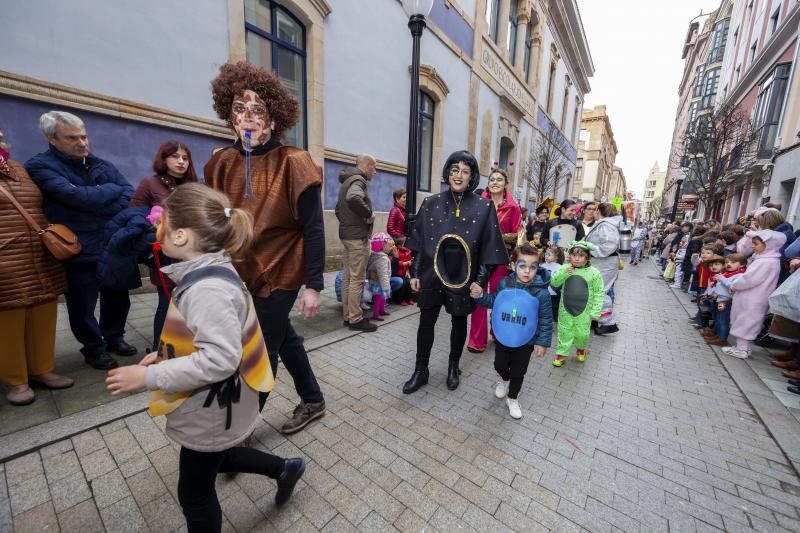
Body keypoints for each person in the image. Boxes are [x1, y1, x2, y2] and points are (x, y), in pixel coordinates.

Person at [106, 184, 304, 533]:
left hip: (213, 406)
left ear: (180, 235)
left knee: (194, 494)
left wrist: (148, 378)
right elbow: (207, 337)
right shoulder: (210, 272)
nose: (157, 229)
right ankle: (284, 468)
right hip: (222, 405)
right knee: (220, 455)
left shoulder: (206, 289)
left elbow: (219, 358)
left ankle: (284, 468)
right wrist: (164, 354)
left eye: (160, 222)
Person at [204, 62, 326, 434]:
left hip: (284, 270)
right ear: (229, 115)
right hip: (239, 271)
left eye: (259, 110)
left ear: (273, 119)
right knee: (282, 335)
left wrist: (314, 285)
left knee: (261, 349)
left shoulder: (295, 162)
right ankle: (313, 399)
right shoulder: (220, 162)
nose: (249, 117)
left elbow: (315, 227)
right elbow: (214, 220)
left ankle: (237, 430)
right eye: (240, 108)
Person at [25, 111, 135, 370]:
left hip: (112, 243)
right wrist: (105, 194)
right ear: (51, 139)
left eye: (84, 136)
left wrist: (94, 196)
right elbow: (73, 198)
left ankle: (114, 337)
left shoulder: (100, 164)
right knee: (82, 304)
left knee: (118, 296)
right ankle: (93, 348)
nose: (82, 143)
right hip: (78, 247)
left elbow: (128, 193)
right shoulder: (40, 166)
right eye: (72, 137)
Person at [402, 151, 508, 393]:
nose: (459, 175)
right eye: (454, 170)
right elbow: (418, 242)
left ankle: (453, 366)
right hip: (430, 273)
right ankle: (421, 370)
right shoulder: (431, 204)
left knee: (459, 321)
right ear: (448, 173)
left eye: (465, 171)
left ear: (471, 177)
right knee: (426, 321)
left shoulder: (484, 206)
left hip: (463, 277)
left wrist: (479, 281)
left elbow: (490, 249)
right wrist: (415, 273)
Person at [0, 129, 73, 405]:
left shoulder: (16, 166)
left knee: (43, 311)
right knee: (8, 319)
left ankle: (42, 369)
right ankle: (15, 380)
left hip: (39, 255)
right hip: (5, 260)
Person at [469, 244, 553, 419]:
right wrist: (480, 296)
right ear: (513, 265)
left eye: (532, 267)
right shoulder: (505, 283)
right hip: (503, 336)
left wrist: (542, 342)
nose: (527, 271)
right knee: (499, 365)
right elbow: (494, 301)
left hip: (526, 341)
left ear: (538, 268)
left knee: (519, 371)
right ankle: (504, 379)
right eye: (522, 265)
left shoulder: (541, 293)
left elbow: (545, 319)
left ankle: (513, 398)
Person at [130, 140, 199, 346]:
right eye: (175, 157)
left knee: (191, 301)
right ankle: (159, 349)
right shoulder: (149, 184)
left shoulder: (195, 186)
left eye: (185, 158)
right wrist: (155, 232)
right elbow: (134, 217)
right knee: (167, 301)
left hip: (193, 252)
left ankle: (185, 344)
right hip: (165, 254)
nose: (181, 162)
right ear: (164, 158)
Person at [467, 168, 521, 353]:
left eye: (499, 179)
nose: (495, 182)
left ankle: (498, 333)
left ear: (505, 184)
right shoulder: (479, 204)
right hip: (480, 258)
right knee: (478, 295)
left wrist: (497, 239)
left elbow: (516, 236)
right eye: (492, 179)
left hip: (500, 260)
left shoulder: (513, 208)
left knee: (500, 298)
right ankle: (476, 340)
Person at [722, 232, 786, 359]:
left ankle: (742, 349)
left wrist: (734, 285)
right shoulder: (769, 260)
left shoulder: (764, 262)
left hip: (751, 297)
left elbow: (748, 279)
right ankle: (745, 348)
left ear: (768, 244)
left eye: (756, 244)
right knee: (749, 320)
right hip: (756, 297)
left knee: (745, 320)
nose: (753, 246)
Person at [336, 154, 378, 332]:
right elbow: (354, 198)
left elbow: (338, 210)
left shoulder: (346, 181)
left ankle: (348, 316)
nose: (374, 172)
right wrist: (367, 215)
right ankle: (355, 319)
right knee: (357, 279)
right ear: (367, 166)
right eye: (374, 168)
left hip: (346, 235)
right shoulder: (359, 181)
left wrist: (348, 224)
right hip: (356, 238)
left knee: (348, 277)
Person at [549, 241, 604, 367]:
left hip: (585, 310)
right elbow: (554, 283)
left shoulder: (594, 273)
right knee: (564, 331)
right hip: (565, 309)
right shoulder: (565, 268)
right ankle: (561, 354)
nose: (577, 258)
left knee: (582, 333)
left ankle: (581, 348)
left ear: (587, 257)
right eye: (574, 255)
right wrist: (564, 273)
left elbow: (599, 292)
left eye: (581, 256)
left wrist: (596, 310)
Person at [584, 203, 622, 335]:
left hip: (604, 264)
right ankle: (604, 320)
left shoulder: (606, 225)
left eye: (595, 210)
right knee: (599, 291)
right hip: (604, 263)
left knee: (599, 291)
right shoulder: (607, 224)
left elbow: (608, 245)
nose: (593, 212)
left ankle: (608, 322)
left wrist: (590, 251)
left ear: (599, 211)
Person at [702, 254, 746, 347]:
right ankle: (717, 335)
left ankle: (722, 339)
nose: (728, 264)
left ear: (742, 265)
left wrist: (721, 278)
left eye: (733, 262)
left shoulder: (740, 275)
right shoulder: (726, 273)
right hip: (720, 299)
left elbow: (732, 286)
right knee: (718, 319)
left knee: (723, 321)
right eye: (727, 262)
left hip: (727, 301)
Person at [367, 232, 393, 321]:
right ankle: (376, 314)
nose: (392, 248)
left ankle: (381, 310)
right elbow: (383, 274)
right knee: (379, 298)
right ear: (382, 245)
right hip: (379, 283)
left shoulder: (378, 256)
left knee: (382, 298)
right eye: (390, 246)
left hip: (378, 282)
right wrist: (386, 286)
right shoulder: (382, 258)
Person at [540, 246, 565, 323]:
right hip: (544, 292)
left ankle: (556, 322)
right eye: (546, 254)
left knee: (554, 309)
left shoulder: (560, 267)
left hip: (554, 293)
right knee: (544, 309)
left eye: (549, 254)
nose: (546, 256)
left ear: (556, 257)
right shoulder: (542, 266)